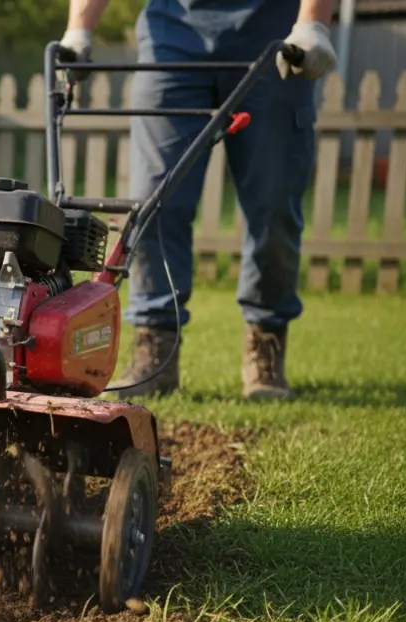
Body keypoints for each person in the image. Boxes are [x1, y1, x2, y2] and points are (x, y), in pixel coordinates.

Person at [58, 0, 338, 400]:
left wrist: (314, 23)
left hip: (274, 29)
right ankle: (155, 346)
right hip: (173, 32)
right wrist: (79, 28)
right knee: (152, 202)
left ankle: (266, 343)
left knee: (273, 204)